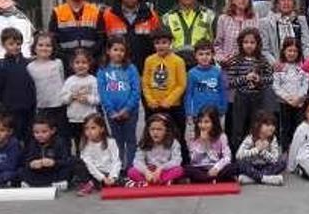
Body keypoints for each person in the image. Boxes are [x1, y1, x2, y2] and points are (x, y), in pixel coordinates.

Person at [223, 28, 273, 152]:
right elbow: (230, 83)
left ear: (257, 44)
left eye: (252, 42)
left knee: (256, 127)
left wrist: (259, 79)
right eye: (246, 42)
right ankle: (237, 155)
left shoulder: (262, 60)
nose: (249, 45)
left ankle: (254, 153)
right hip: (241, 98)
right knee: (238, 128)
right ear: (241, 44)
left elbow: (270, 78)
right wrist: (245, 78)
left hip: (258, 98)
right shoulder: (236, 60)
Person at [142, 27, 188, 159]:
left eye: (164, 42)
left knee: (177, 136)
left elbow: (181, 84)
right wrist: (150, 100)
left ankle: (182, 164)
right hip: (154, 107)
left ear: (170, 43)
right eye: (157, 43)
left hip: (173, 107)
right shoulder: (149, 60)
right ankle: (154, 161)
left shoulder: (178, 61)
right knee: (154, 136)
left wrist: (169, 100)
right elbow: (145, 83)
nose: (160, 45)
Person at [97, 36, 141, 172]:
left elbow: (136, 90)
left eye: (122, 50)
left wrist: (127, 108)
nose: (119, 53)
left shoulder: (131, 68)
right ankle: (119, 166)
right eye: (115, 49)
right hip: (112, 112)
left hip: (130, 111)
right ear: (108, 51)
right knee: (117, 141)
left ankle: (130, 167)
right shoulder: (102, 70)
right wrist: (111, 111)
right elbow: (102, 92)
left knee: (130, 139)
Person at [101, 0, 162, 73]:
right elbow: (103, 43)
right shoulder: (108, 15)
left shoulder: (151, 15)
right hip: (116, 70)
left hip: (145, 69)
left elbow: (157, 44)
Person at [0, 27, 36, 145]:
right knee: (13, 138)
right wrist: (7, 101)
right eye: (11, 44)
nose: (15, 47)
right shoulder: (0, 66)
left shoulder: (28, 63)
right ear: (3, 45)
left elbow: (33, 84)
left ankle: (28, 160)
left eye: (18, 43)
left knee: (30, 137)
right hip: (12, 110)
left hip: (29, 108)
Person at [161, 0, 216, 68]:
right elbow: (162, 44)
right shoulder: (167, 17)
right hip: (175, 64)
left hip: (203, 63)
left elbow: (217, 41)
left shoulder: (209, 15)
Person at [48, 0, 105, 64]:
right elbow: (53, 40)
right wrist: (67, 57)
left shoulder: (96, 11)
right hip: (65, 62)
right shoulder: (57, 12)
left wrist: (89, 56)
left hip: (91, 61)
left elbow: (102, 39)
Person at [28, 31, 68, 144]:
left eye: (48, 45)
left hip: (59, 105)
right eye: (40, 45)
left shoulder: (58, 63)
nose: (44, 48)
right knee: (45, 136)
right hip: (42, 107)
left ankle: (64, 157)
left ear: (53, 48)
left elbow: (62, 80)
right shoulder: (30, 67)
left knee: (62, 134)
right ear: (34, 47)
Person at [259, 0, 309, 67]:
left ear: (294, 3)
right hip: (276, 68)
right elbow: (264, 49)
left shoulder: (301, 20)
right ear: (277, 3)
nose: (286, 2)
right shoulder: (265, 23)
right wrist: (275, 64)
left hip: (299, 69)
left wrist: (307, 62)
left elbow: (307, 45)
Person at [272, 37, 309, 153]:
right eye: (289, 50)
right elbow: (276, 86)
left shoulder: (303, 67)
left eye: (295, 51)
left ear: (299, 52)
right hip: (284, 103)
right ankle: (285, 150)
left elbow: (305, 84)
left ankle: (298, 150)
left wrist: (298, 98)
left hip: (299, 103)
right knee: (285, 128)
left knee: (299, 127)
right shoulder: (280, 67)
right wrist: (288, 98)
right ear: (284, 51)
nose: (292, 53)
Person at [127, 113, 184, 187]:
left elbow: (177, 160)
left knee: (179, 170)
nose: (155, 132)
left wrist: (161, 168)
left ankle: (158, 181)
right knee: (131, 171)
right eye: (152, 129)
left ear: (166, 130)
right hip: (148, 172)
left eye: (159, 129)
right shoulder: (144, 142)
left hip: (164, 171)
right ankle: (148, 182)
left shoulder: (173, 142)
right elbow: (137, 161)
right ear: (148, 130)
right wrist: (146, 172)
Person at [60, 49, 99, 154]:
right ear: (72, 65)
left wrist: (88, 99)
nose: (80, 65)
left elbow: (98, 99)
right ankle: (80, 163)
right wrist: (71, 96)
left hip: (89, 118)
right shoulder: (69, 81)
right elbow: (63, 99)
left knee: (91, 142)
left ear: (89, 64)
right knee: (78, 143)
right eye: (77, 63)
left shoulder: (93, 80)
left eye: (84, 62)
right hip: (74, 119)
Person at [72, 113, 121, 196]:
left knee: (121, 176)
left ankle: (100, 184)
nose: (89, 132)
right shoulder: (85, 145)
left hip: (108, 172)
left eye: (93, 128)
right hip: (94, 174)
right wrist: (102, 178)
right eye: (86, 128)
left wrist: (112, 177)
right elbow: (89, 165)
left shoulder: (111, 142)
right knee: (77, 162)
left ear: (102, 129)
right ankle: (92, 184)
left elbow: (116, 161)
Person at [18, 114, 72, 188]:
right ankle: (30, 182)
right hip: (38, 171)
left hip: (54, 171)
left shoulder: (59, 142)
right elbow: (25, 160)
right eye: (36, 132)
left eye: (44, 132)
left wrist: (54, 162)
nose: (40, 135)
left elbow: (66, 160)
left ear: (52, 131)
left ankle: (59, 182)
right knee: (21, 170)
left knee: (68, 168)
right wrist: (32, 164)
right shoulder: (32, 143)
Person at [185, 106, 236, 183]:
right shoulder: (194, 136)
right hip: (200, 167)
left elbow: (227, 157)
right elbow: (193, 160)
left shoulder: (221, 136)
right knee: (187, 169)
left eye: (206, 122)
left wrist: (216, 168)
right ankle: (211, 179)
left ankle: (208, 179)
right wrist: (203, 143)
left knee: (233, 167)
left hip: (216, 167)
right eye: (200, 122)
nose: (202, 125)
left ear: (214, 122)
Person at [236, 111, 285, 186]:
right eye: (267, 125)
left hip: (266, 166)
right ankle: (266, 179)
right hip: (252, 166)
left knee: (282, 163)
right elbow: (238, 155)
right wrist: (256, 150)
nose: (271, 127)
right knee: (240, 164)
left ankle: (251, 179)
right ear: (258, 125)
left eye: (273, 125)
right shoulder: (251, 138)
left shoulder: (273, 139)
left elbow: (275, 159)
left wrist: (263, 151)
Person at [184, 40, 228, 123]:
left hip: (215, 112)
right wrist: (189, 112)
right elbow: (189, 94)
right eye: (201, 54)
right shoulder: (192, 73)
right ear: (195, 56)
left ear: (213, 55)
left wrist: (223, 108)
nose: (204, 57)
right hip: (198, 112)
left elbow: (223, 91)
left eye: (208, 54)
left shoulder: (218, 72)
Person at [214, 0, 259, 65]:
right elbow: (217, 44)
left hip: (250, 64)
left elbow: (258, 42)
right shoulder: (223, 19)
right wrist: (222, 58)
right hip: (228, 64)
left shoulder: (254, 18)